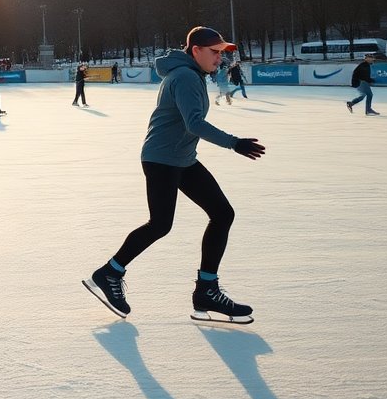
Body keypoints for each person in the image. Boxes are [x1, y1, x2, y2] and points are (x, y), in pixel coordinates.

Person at [83, 26, 266, 324]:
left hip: (180, 159)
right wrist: (235, 143)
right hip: (162, 159)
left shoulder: (190, 75)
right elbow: (194, 123)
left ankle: (206, 290)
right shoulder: (184, 77)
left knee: (222, 213)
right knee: (160, 224)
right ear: (196, 50)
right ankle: (109, 273)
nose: (219, 58)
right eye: (215, 52)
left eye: (221, 53)